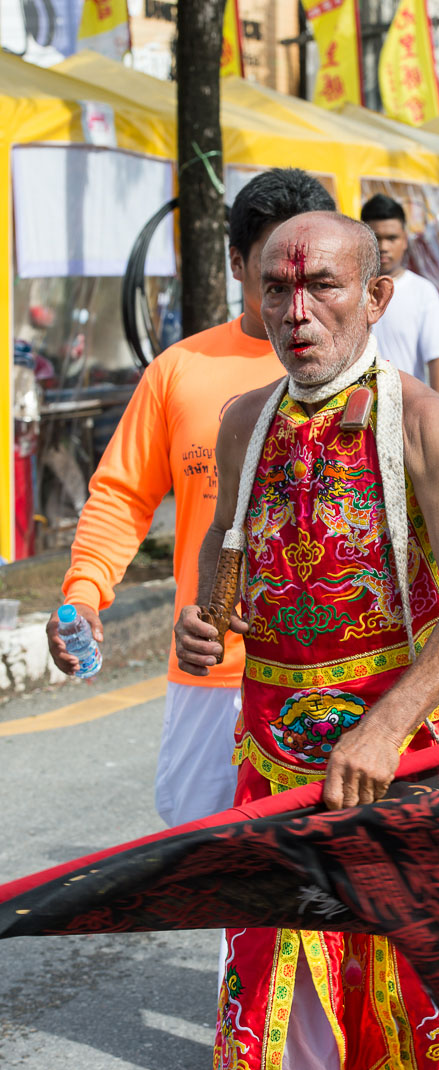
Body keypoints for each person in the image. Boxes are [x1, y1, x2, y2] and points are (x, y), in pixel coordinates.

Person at [175, 211, 439, 1070]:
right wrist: (204, 621)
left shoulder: (421, 422)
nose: (296, 312)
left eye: (321, 287)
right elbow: (225, 556)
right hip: (275, 762)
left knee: (438, 1002)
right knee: (280, 998)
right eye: (276, 289)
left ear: (377, 297)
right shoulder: (241, 423)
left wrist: (386, 726)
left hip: (407, 754)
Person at [45, 169, 336, 828]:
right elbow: (121, 494)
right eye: (272, 266)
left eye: (312, 269)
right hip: (212, 672)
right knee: (213, 870)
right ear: (237, 262)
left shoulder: (365, 379)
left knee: (326, 888)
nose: (294, 291)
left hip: (331, 673)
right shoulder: (180, 371)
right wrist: (84, 593)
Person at [360, 192, 439, 402]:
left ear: (405, 240)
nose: (383, 247)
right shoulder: (346, 290)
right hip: (349, 415)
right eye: (376, 238)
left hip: (404, 414)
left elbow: (438, 362)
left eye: (392, 238)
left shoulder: (423, 292)